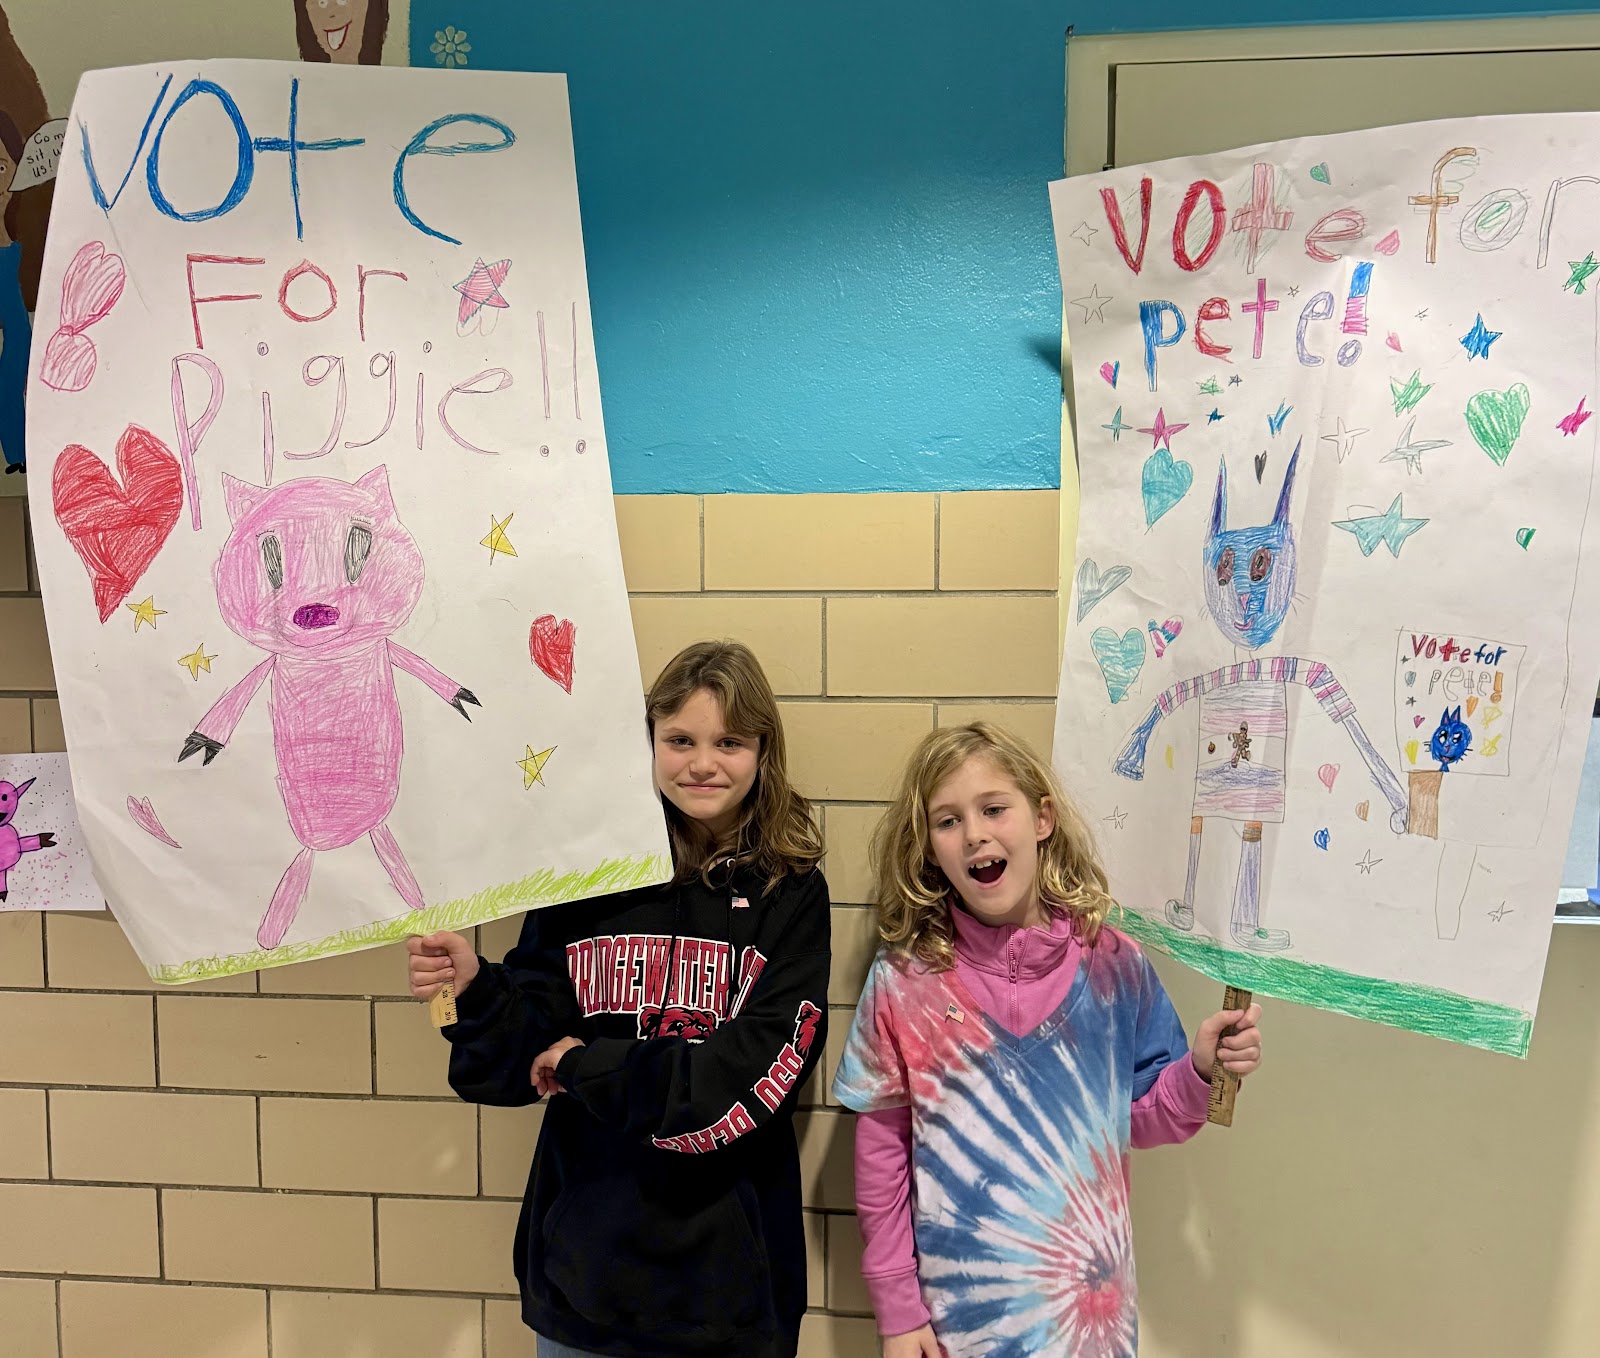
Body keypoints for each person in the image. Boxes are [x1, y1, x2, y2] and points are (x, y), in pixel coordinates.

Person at [408, 640, 831, 1358]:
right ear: (649, 744)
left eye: (729, 741)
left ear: (764, 751)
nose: (703, 762)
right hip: (585, 1288)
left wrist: (585, 1068)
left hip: (728, 1297)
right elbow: (516, 1058)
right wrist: (474, 989)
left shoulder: (789, 892)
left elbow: (750, 1078)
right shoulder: (589, 873)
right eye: (680, 740)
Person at [833, 722, 1264, 1358]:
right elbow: (880, 1157)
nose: (974, 832)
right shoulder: (905, 982)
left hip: (1089, 1330)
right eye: (947, 820)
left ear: (1042, 819)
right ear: (928, 847)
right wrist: (898, 1311)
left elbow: (1141, 1119)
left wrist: (1199, 1070)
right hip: (959, 1329)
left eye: (993, 809)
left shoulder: (1115, 967)